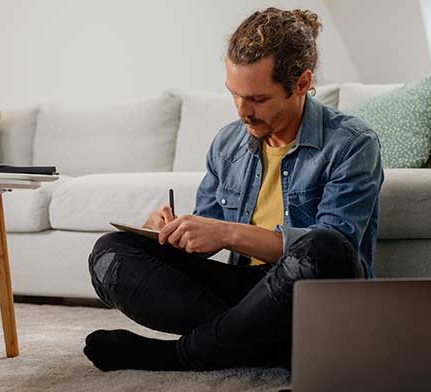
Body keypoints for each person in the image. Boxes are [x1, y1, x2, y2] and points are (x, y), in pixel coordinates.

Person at [83, 7, 383, 371]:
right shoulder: (227, 143)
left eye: (257, 99)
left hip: (310, 295)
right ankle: (264, 343)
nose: (242, 111)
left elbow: (335, 252)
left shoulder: (352, 143)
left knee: (325, 248)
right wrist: (170, 232)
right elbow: (204, 238)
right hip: (247, 296)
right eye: (234, 95)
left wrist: (225, 232)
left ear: (301, 84)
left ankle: (179, 355)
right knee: (110, 253)